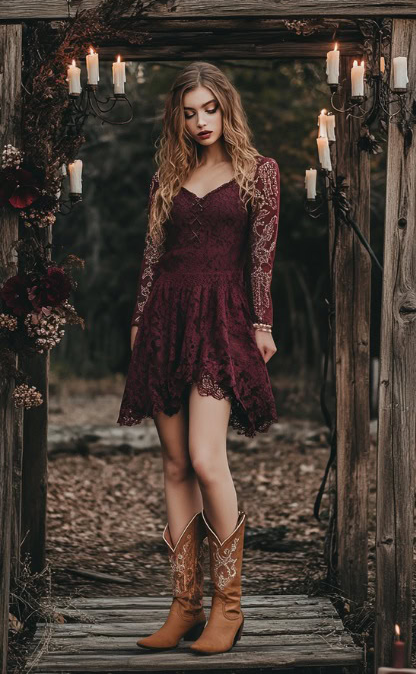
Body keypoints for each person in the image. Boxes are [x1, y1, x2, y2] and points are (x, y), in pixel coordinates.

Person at [116, 61, 280, 655]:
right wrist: (139, 323)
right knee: (174, 463)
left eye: (209, 108)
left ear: (226, 107)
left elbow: (261, 260)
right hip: (165, 317)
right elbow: (152, 256)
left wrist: (262, 324)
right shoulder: (170, 175)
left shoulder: (260, 172)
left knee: (208, 458)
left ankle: (227, 607)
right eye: (189, 112)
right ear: (177, 119)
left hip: (220, 320)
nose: (200, 120)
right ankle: (185, 603)